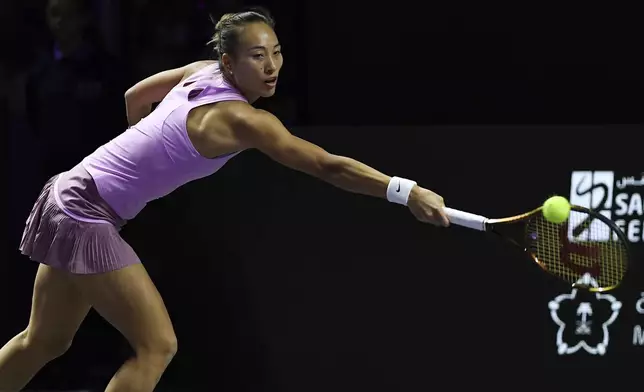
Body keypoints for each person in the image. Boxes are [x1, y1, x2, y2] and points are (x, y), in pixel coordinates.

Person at [0, 7, 450, 392]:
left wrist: (138, 163)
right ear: (229, 63)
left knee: (44, 340)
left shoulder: (201, 71)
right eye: (257, 56)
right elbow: (326, 165)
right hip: (86, 211)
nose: (272, 65)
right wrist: (405, 191)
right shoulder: (242, 119)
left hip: (70, 190)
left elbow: (133, 98)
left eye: (276, 52)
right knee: (158, 346)